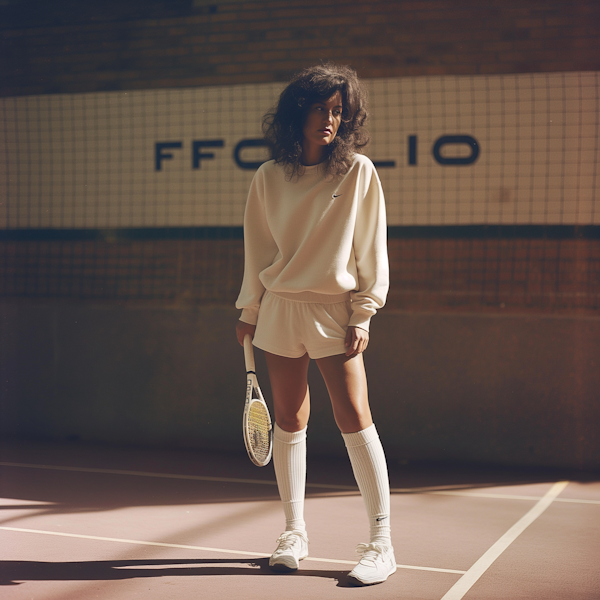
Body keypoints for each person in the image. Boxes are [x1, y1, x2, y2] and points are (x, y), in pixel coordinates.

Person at [235, 63, 394, 586]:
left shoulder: (358, 172)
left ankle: (380, 544)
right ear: (295, 112)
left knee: (355, 417)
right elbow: (259, 252)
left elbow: (371, 249)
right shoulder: (267, 178)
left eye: (337, 111)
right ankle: (293, 533)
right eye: (319, 108)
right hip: (278, 309)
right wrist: (249, 311)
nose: (329, 119)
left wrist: (364, 311)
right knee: (289, 420)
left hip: (334, 311)